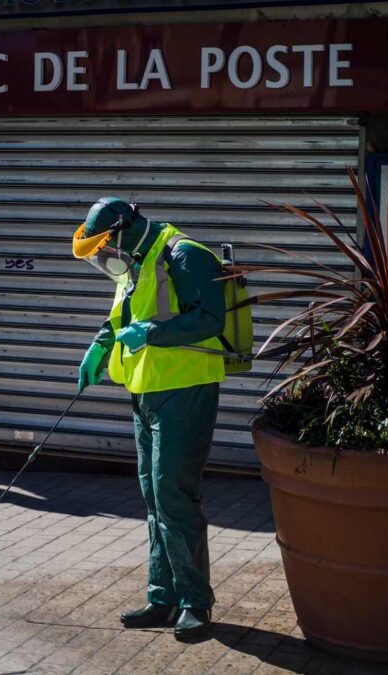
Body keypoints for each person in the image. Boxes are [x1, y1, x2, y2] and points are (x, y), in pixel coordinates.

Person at [71, 197, 226, 642]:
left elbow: (210, 318)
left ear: (123, 230)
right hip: (144, 392)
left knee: (173, 496)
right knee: (153, 498)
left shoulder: (183, 253)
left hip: (185, 389)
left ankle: (196, 603)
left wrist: (152, 334)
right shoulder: (136, 260)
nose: (103, 257)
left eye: (104, 247)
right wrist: (101, 345)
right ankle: (163, 597)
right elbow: (123, 314)